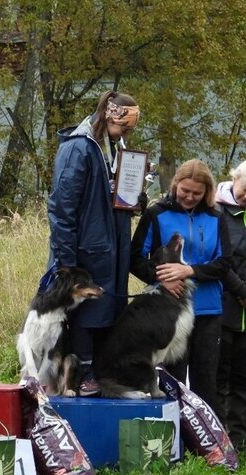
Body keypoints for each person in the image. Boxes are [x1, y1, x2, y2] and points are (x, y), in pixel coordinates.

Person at [47, 90, 140, 396]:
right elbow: (62, 207)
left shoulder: (113, 147)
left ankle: (100, 372)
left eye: (130, 129)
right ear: (109, 115)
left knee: (107, 309)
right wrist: (66, 260)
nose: (127, 133)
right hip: (85, 251)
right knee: (85, 311)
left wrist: (134, 198)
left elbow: (111, 194)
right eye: (124, 126)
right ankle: (81, 373)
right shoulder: (79, 148)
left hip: (111, 248)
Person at [131, 159, 231, 414]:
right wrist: (160, 277)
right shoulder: (156, 214)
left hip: (208, 311)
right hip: (169, 311)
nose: (189, 197)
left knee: (206, 377)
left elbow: (224, 263)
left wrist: (190, 271)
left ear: (207, 192)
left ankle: (206, 442)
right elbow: (135, 259)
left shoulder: (216, 218)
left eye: (197, 193)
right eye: (185, 191)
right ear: (176, 184)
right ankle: (172, 438)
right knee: (172, 376)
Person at [215, 160, 246, 449]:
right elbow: (221, 261)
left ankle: (239, 440)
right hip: (224, 306)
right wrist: (242, 291)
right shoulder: (218, 211)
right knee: (220, 376)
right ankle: (221, 442)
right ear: (234, 180)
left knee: (243, 379)